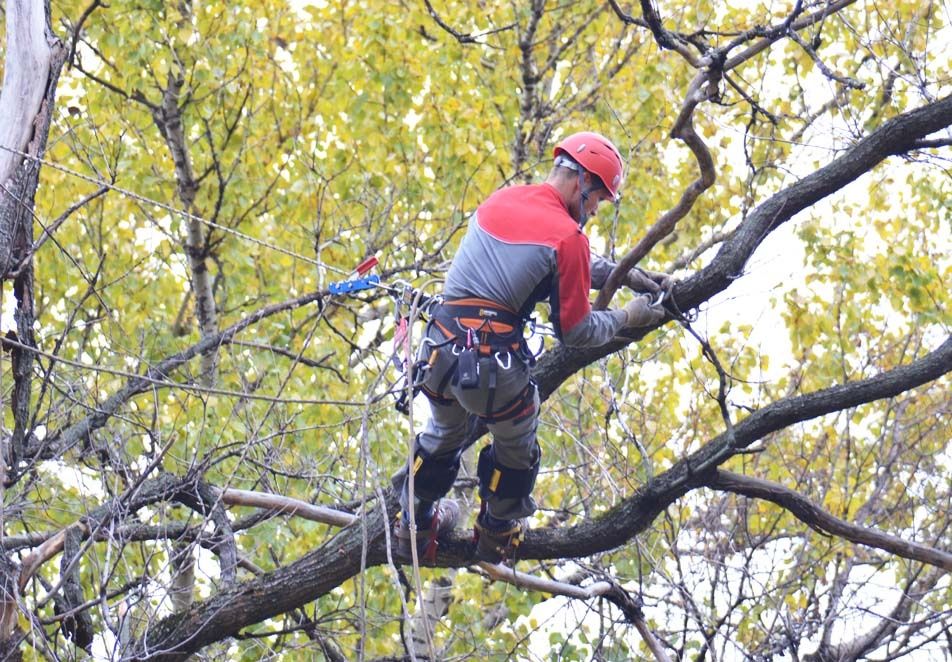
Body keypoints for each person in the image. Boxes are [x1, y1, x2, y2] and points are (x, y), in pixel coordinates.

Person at [392, 131, 671, 562]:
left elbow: (546, 261)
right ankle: (497, 530)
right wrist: (629, 317)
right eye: (597, 200)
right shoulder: (567, 237)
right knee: (517, 440)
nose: (595, 211)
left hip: (440, 349)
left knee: (444, 433)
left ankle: (414, 517)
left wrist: (626, 274)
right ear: (583, 183)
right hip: (492, 364)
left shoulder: (500, 202)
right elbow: (576, 331)